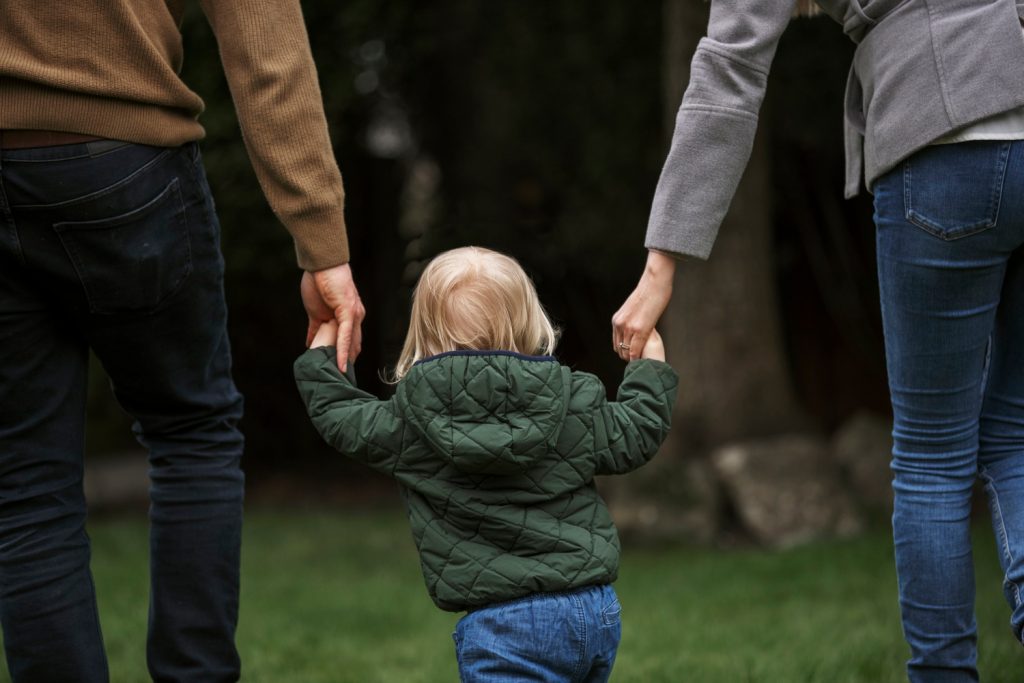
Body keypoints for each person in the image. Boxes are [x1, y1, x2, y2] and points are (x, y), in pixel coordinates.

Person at [612, 1, 1024, 680]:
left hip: (944, 134)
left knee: (931, 455)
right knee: (1014, 427)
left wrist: (662, 264)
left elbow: (729, 68)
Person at [0, 2, 363, 681]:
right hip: (122, 158)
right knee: (191, 432)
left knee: (23, 485)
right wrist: (322, 241)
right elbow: (262, 31)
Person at [294, 246, 678, 682]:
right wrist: (650, 367)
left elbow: (341, 418)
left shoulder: (409, 421)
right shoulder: (572, 401)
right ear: (528, 320)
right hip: (589, 610)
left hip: (501, 627)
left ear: (424, 332)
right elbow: (636, 433)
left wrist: (325, 349)